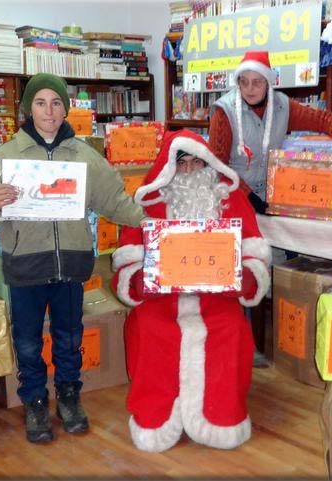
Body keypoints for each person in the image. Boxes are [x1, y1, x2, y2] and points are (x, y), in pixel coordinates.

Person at [0, 73, 145, 443]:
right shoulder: (7, 156)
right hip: (26, 264)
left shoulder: (85, 156)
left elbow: (114, 201)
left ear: (66, 107)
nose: (49, 111)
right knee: (29, 341)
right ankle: (34, 401)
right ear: (27, 108)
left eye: (55, 102)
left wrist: (152, 222)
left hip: (71, 263)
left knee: (69, 338)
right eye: (40, 102)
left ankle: (69, 396)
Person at [111, 129, 271, 452]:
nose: (188, 171)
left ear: (208, 163)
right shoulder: (149, 204)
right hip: (162, 302)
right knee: (151, 328)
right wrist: (141, 281)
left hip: (217, 301)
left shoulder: (230, 197)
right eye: (180, 164)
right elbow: (125, 265)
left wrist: (247, 279)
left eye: (195, 162)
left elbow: (255, 255)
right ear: (168, 168)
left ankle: (222, 415)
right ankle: (158, 417)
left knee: (230, 328)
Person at [208, 50, 332, 214]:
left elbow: (321, 119)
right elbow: (217, 166)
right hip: (232, 199)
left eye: (257, 82)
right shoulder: (224, 112)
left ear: (268, 83)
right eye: (244, 82)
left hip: (271, 199)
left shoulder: (282, 106)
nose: (250, 89)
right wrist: (248, 196)